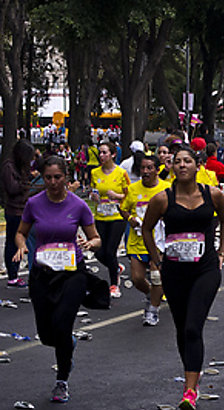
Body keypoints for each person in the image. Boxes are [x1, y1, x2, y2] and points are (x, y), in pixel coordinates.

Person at [141, 145, 224, 410]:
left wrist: (222, 252)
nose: (181, 165)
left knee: (193, 326)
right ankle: (192, 370)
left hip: (205, 269)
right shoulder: (163, 199)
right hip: (174, 270)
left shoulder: (212, 194)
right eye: (177, 161)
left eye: (187, 161)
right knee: (182, 328)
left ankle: (190, 390)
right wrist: (156, 259)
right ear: (171, 167)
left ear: (197, 165)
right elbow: (147, 229)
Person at [13, 156, 102, 403]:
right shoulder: (34, 203)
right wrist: (21, 246)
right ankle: (67, 343)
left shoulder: (78, 205)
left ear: (66, 177)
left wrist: (89, 243)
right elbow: (22, 232)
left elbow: (96, 238)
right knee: (46, 334)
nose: (52, 182)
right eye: (48, 177)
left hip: (71, 274)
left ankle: (62, 380)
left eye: (57, 177)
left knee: (62, 325)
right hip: (42, 273)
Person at [119, 154, 171, 326]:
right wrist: (130, 219)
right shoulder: (133, 189)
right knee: (137, 278)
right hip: (138, 241)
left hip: (159, 241)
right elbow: (123, 209)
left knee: (157, 276)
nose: (145, 171)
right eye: (143, 168)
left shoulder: (167, 188)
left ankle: (152, 311)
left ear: (158, 170)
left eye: (150, 168)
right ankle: (152, 294)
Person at [90, 141, 130, 298]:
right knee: (99, 252)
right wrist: (93, 196)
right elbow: (93, 191)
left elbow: (129, 194)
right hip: (101, 216)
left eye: (105, 152)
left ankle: (114, 284)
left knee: (110, 251)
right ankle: (116, 267)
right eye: (100, 152)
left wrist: (117, 196)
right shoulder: (95, 173)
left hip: (117, 216)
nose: (101, 155)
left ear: (113, 155)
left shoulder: (121, 173)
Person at [1, 139, 35, 287]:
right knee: (13, 242)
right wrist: (25, 183)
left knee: (23, 242)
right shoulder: (8, 167)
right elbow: (12, 188)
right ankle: (12, 274)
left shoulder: (21, 167)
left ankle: (17, 271)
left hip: (24, 208)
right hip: (14, 209)